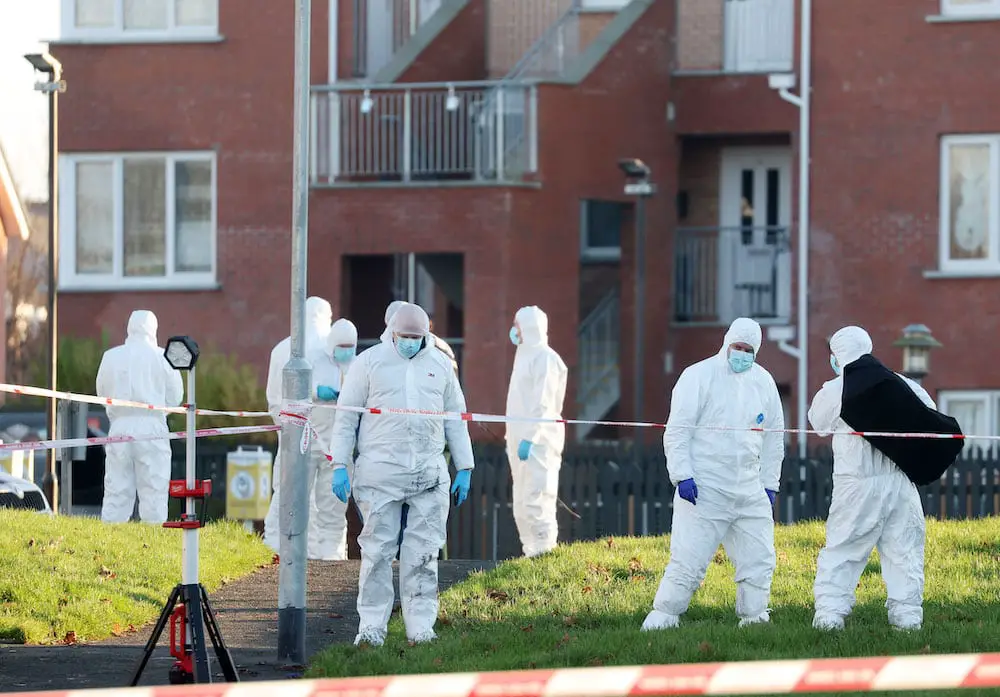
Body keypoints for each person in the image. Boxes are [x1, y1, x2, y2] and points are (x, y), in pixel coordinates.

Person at [328, 303, 475, 647]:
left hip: (428, 474)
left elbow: (456, 417)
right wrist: (340, 465)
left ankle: (421, 627)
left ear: (425, 335)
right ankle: (371, 629)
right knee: (377, 553)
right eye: (404, 336)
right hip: (380, 474)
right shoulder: (369, 363)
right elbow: (346, 417)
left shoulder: (440, 365)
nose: (409, 342)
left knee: (423, 554)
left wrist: (464, 467)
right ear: (392, 332)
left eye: (415, 337)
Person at [642, 317, 784, 631]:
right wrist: (682, 474)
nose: (742, 354)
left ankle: (754, 618)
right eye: (738, 347)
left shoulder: (763, 382)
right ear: (726, 342)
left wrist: (769, 483)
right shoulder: (698, 376)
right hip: (706, 486)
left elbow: (774, 437)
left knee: (759, 558)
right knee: (689, 559)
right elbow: (678, 430)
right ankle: (664, 617)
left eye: (749, 350)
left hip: (749, 488)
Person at [808, 326, 932, 631]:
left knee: (844, 548)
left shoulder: (837, 389)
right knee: (904, 552)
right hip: (901, 484)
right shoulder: (903, 383)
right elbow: (929, 417)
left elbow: (818, 422)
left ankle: (830, 617)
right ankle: (907, 619)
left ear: (838, 355)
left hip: (858, 485)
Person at [97, 310, 184, 524]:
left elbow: (102, 392)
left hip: (119, 426)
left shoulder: (111, 356)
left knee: (116, 489)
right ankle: (152, 543)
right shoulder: (163, 357)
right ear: (153, 329)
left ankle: (109, 541)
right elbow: (176, 396)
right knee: (154, 489)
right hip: (152, 426)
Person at [262, 296, 333, 555]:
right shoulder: (331, 346)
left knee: (285, 497)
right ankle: (324, 562)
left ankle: (274, 553)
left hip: (292, 437)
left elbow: (273, 401)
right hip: (328, 441)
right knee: (325, 507)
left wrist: (286, 429)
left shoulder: (281, 349)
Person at [505, 306, 568, 558]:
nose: (514, 330)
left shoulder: (546, 358)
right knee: (521, 502)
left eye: (517, 325)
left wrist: (530, 437)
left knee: (538, 498)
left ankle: (544, 553)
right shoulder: (524, 357)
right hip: (520, 442)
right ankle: (530, 551)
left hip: (539, 443)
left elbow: (544, 403)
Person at [307, 318, 359, 560]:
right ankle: (308, 556)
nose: (346, 351)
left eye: (351, 346)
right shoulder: (315, 361)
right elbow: (296, 389)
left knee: (335, 508)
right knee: (305, 505)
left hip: (340, 449)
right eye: (342, 345)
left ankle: (333, 559)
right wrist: (317, 391)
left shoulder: (357, 367)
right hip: (312, 442)